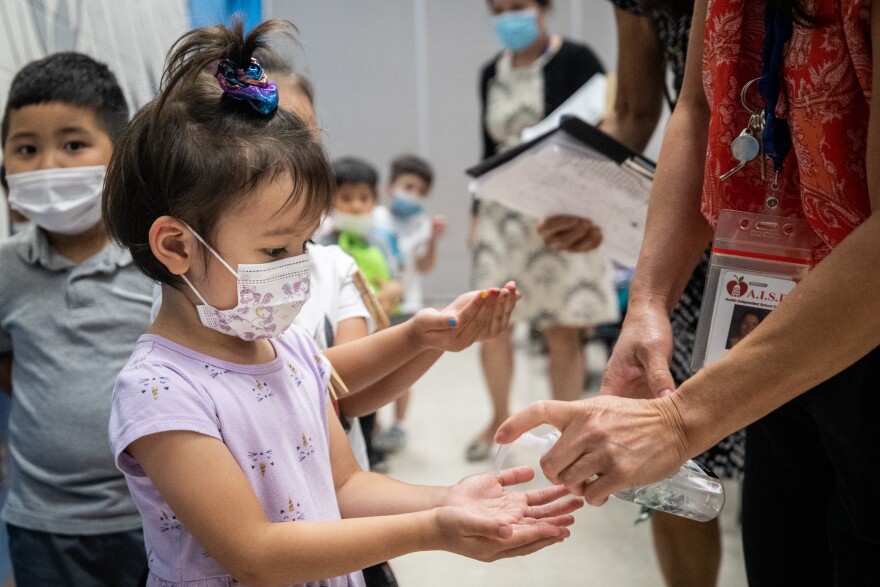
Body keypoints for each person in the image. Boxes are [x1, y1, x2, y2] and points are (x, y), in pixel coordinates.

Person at [105, 20, 581, 586]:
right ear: (177, 245)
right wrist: (434, 531)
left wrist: (447, 499)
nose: (299, 265)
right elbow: (255, 554)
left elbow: (346, 486)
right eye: (275, 247)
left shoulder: (286, 348)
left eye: (304, 244)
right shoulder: (160, 391)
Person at [497, 0, 880, 584]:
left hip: (855, 307)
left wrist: (679, 423)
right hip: (780, 306)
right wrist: (648, 303)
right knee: (784, 545)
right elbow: (700, 108)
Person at [538, 2, 744, 585]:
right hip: (700, 239)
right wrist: (587, 191)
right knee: (675, 470)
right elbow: (684, 111)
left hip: (818, 236)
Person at [0, 53, 151, 585]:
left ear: (119, 153)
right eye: (26, 149)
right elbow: (10, 367)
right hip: (43, 525)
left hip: (152, 514)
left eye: (73, 144)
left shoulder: (156, 263)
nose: (49, 166)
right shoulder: (5, 272)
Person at [468, 0, 619, 462]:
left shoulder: (577, 59)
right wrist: (475, 213)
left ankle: (564, 427)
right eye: (499, 8)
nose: (508, 16)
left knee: (562, 328)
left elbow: (606, 126)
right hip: (501, 210)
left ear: (543, 7)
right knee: (492, 323)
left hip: (559, 209)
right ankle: (498, 419)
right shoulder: (490, 71)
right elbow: (488, 146)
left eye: (518, 6)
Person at [373, 154, 446, 454]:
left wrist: (433, 241)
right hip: (376, 304)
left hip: (407, 305)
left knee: (401, 368)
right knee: (372, 365)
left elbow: (426, 266)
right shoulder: (374, 217)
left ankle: (399, 425)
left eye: (419, 190)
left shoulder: (423, 224)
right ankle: (371, 424)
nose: (412, 194)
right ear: (391, 187)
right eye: (408, 186)